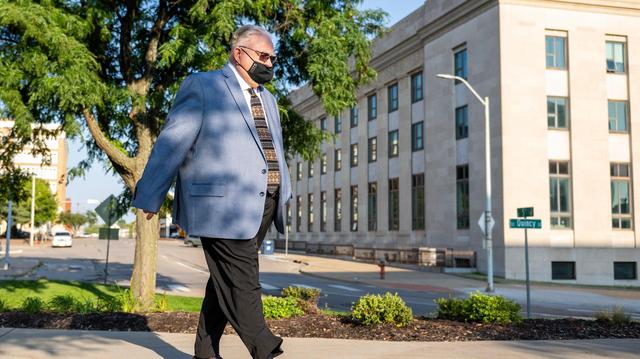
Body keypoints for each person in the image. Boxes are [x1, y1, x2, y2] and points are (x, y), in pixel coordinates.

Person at [131, 25, 291, 359]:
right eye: (263, 56)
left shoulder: (269, 99)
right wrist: (151, 194)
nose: (270, 63)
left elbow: (272, 149)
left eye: (273, 58)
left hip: (264, 203)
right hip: (220, 206)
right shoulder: (203, 86)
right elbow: (173, 140)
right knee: (243, 279)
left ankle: (205, 350)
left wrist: (284, 192)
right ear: (239, 53)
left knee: (224, 282)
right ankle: (265, 346)